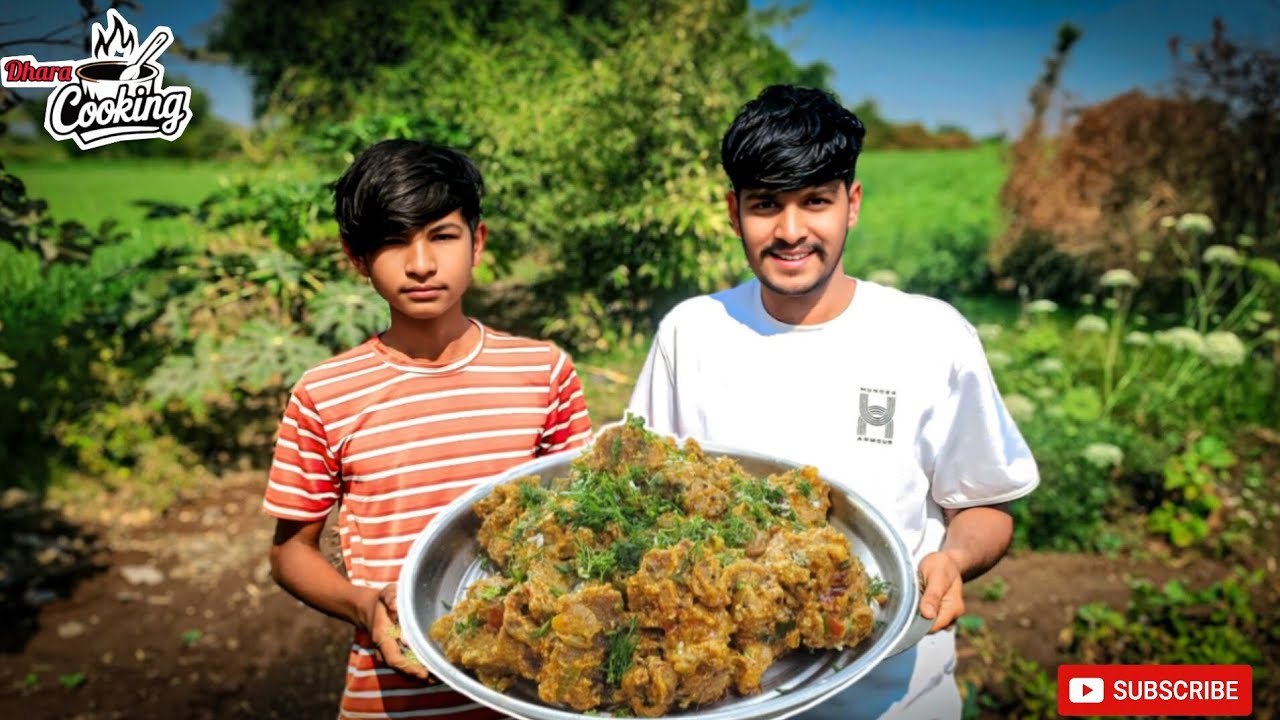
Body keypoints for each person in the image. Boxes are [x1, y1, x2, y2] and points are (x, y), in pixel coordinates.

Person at [626, 85, 1039, 719]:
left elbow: (984, 501)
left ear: (853, 204)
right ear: (734, 212)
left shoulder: (930, 336)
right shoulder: (692, 333)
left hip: (897, 698)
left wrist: (953, 559)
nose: (791, 231)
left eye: (815, 201)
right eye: (766, 205)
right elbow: (637, 497)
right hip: (729, 700)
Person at [262, 140, 593, 720]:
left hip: (532, 693)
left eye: (442, 236)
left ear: (477, 242)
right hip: (391, 700)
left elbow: (584, 521)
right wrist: (365, 607)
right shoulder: (325, 394)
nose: (420, 263)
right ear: (357, 257)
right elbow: (291, 553)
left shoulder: (543, 374)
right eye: (394, 241)